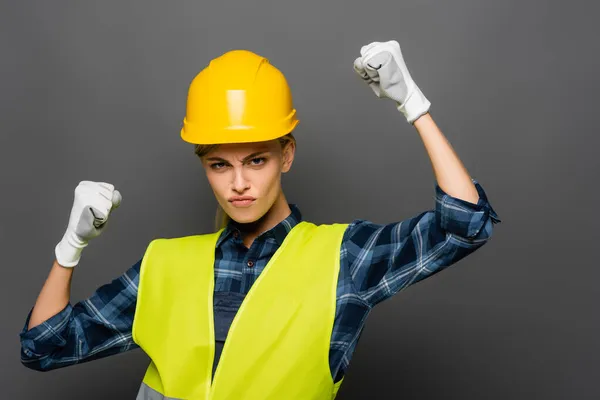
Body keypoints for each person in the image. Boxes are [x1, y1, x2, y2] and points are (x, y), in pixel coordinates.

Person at [20, 40, 501, 399]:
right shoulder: (163, 265)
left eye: (256, 160)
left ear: (286, 155)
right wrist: (70, 248)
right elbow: (44, 347)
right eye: (219, 165)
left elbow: (466, 221)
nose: (238, 184)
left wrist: (414, 106)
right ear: (204, 167)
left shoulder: (344, 261)